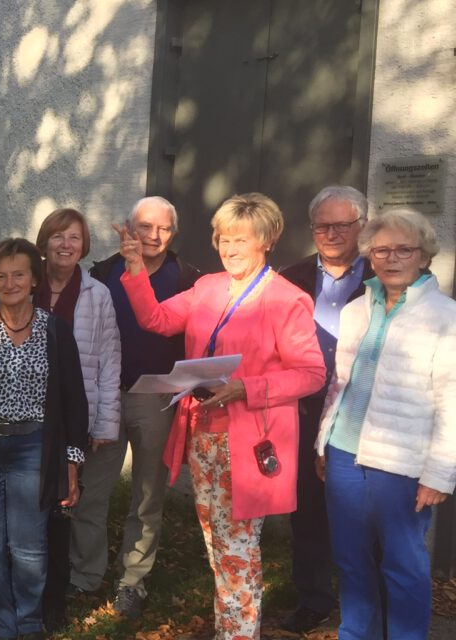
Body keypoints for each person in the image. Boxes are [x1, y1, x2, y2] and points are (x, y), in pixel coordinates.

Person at [115, 193, 324, 640]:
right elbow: (155, 319)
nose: (228, 249)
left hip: (250, 441)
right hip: (203, 435)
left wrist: (246, 387)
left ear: (267, 240)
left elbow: (310, 373)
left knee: (238, 548)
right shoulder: (208, 286)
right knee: (219, 545)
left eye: (240, 240)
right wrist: (134, 269)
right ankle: (231, 627)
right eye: (222, 239)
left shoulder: (287, 299)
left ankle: (237, 632)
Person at [316, 208, 455, 640]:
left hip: (401, 464)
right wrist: (324, 442)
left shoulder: (445, 317)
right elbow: (340, 383)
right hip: (343, 454)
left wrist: (439, 474)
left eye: (403, 250)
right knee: (351, 560)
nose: (392, 258)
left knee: (403, 564)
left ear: (423, 256)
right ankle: (356, 633)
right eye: (381, 250)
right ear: (370, 256)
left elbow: (452, 402)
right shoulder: (357, 309)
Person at [0, 237, 89, 640]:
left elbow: (73, 401)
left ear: (34, 280)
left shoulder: (55, 331)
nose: (9, 282)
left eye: (18, 274)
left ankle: (29, 625)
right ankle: (3, 626)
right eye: (1, 276)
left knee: (29, 548)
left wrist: (71, 462)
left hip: (35, 450)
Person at [77, 196, 202, 618]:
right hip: (107, 395)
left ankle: (134, 579)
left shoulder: (186, 277)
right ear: (129, 227)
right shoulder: (104, 272)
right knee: (92, 491)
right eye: (145, 226)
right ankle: (85, 574)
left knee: (147, 496)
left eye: (163, 228)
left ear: (174, 232)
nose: (153, 236)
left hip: (157, 398)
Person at [277, 185, 373, 633]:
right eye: (322, 225)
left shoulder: (383, 274)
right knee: (308, 509)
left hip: (362, 410)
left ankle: (365, 601)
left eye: (342, 225)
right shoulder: (290, 276)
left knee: (361, 508)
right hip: (304, 408)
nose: (331, 233)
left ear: (362, 227)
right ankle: (314, 597)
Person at [31, 208, 120, 628]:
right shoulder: (27, 284)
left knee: (85, 501)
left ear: (84, 246)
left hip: (80, 410)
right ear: (44, 242)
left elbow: (109, 361)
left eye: (75, 238)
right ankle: (42, 571)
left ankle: (83, 577)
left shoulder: (97, 294)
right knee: (41, 495)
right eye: (58, 237)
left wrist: (104, 422)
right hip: (33, 411)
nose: (66, 245)